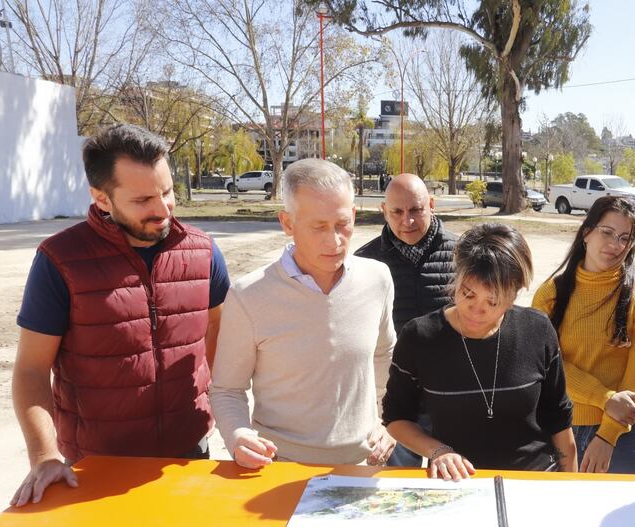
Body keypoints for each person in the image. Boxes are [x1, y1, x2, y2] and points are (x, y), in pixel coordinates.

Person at [11, 123, 231, 506]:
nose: (162, 209)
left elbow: (219, 333)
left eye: (167, 191)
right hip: (96, 465)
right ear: (102, 199)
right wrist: (44, 457)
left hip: (188, 456)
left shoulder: (204, 252)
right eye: (143, 199)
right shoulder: (60, 261)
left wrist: (225, 415)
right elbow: (31, 370)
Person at [210, 159, 397, 469]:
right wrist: (238, 435)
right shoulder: (248, 296)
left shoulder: (378, 279)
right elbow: (227, 389)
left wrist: (385, 419)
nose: (334, 241)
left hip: (362, 466)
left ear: (353, 215)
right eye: (318, 227)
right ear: (287, 223)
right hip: (278, 468)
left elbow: (383, 357)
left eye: (342, 224)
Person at [382, 223, 576, 480]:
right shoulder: (419, 336)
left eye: (492, 301)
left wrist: (569, 486)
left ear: (515, 293)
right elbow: (396, 418)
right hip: (458, 484)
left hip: (534, 481)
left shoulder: (538, 329)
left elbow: (559, 421)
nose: (476, 310)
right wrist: (438, 451)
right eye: (467, 294)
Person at [532, 196, 635, 474]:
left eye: (624, 238)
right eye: (607, 232)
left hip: (625, 438)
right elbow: (546, 368)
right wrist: (604, 398)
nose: (615, 245)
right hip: (560, 431)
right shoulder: (550, 295)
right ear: (587, 232)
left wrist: (607, 436)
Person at [355, 173, 457, 467]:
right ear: (384, 211)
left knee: (455, 481)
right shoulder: (365, 263)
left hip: (451, 393)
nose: (407, 221)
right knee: (395, 485)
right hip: (395, 396)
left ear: (432, 205)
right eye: (397, 212)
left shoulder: (463, 254)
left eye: (416, 210)